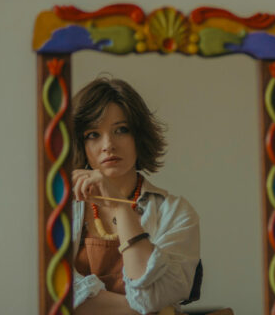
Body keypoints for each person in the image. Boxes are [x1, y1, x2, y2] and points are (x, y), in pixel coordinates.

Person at [70, 77, 201, 314]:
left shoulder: (176, 212)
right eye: (93, 134)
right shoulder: (61, 208)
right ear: (80, 143)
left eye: (121, 130)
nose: (108, 145)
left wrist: (120, 208)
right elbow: (57, 292)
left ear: (138, 136)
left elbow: (151, 296)